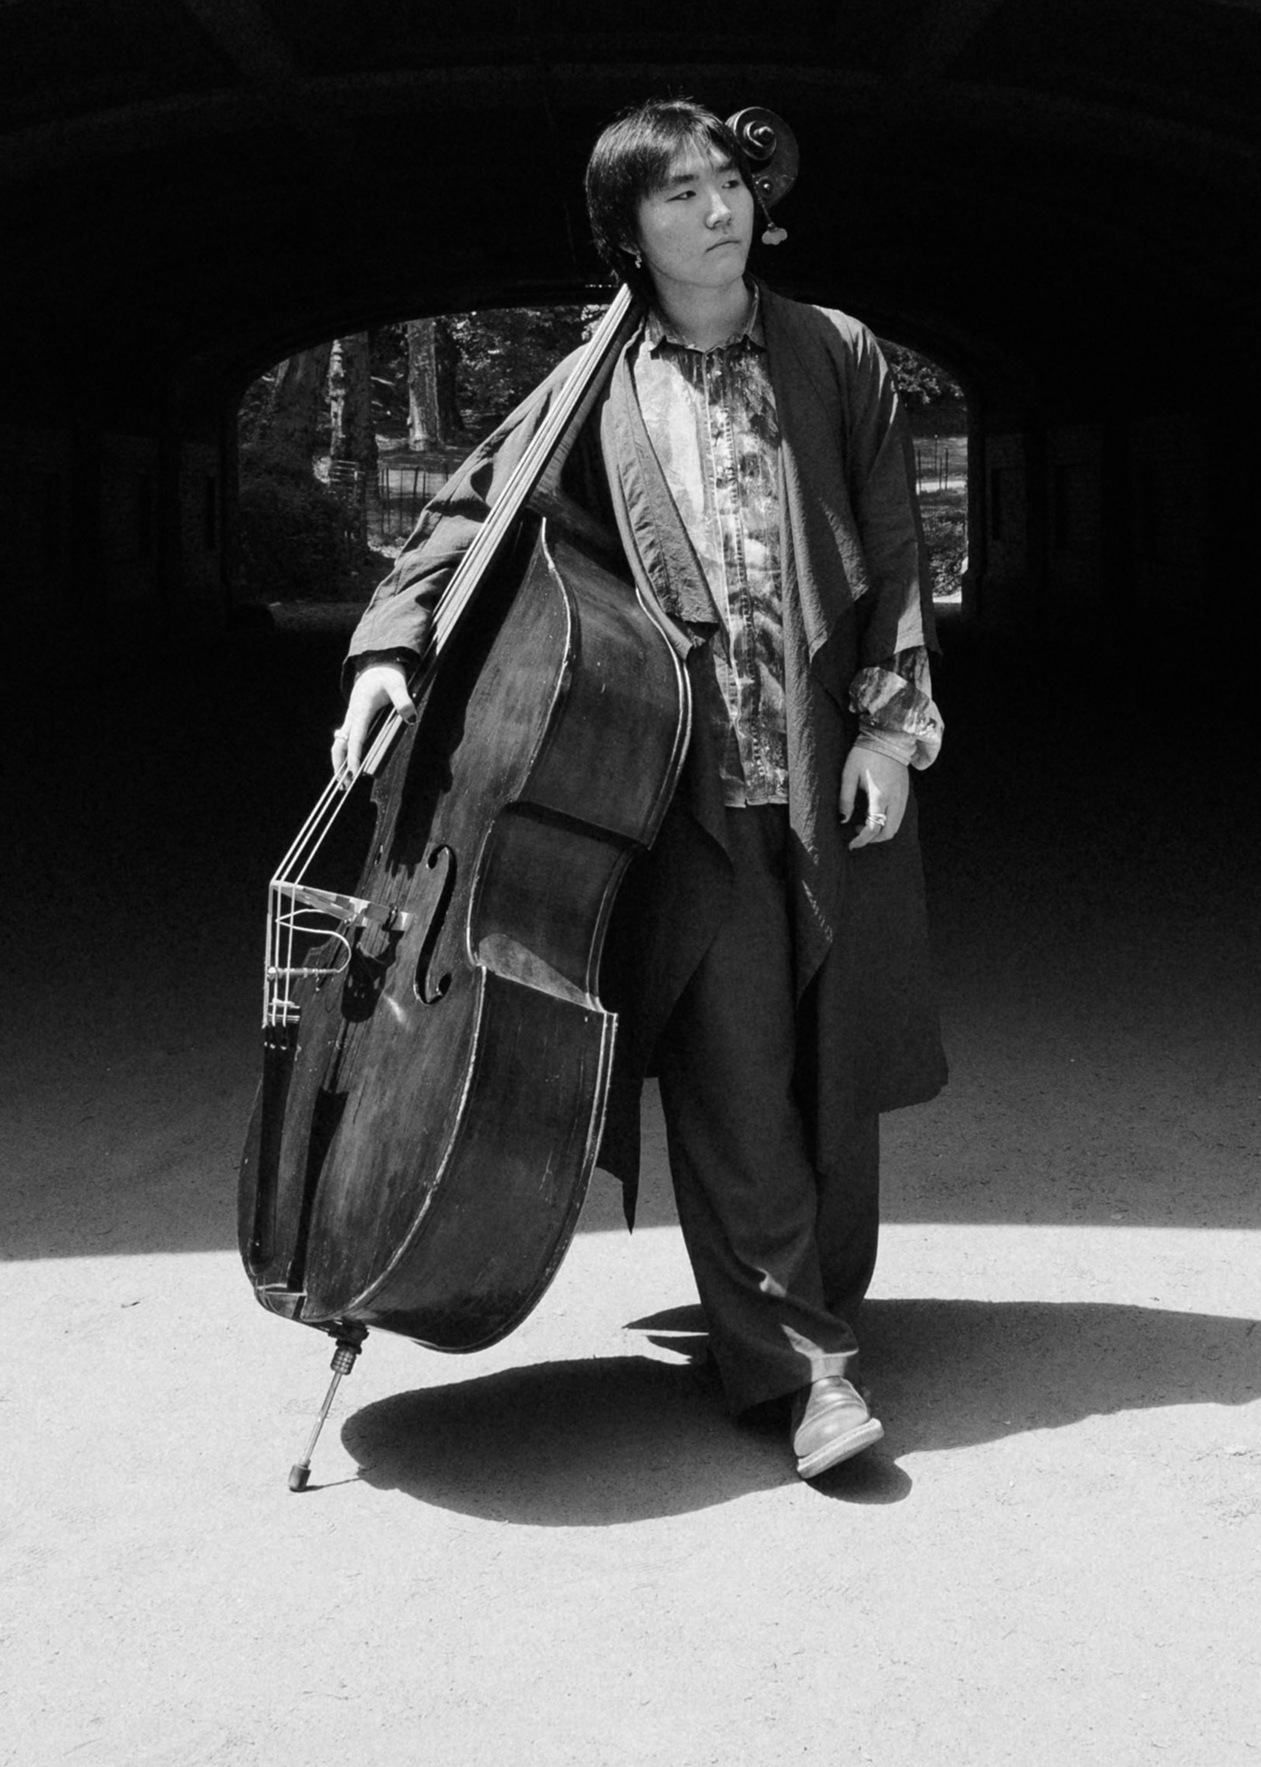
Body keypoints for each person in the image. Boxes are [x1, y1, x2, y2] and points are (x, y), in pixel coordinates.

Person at [330, 99, 945, 1482]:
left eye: (728, 179)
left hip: (825, 772)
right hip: (681, 791)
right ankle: (804, 1369)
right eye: (678, 193)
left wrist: (888, 728)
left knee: (833, 1072)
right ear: (628, 230)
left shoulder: (836, 352)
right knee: (733, 1074)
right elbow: (469, 512)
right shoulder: (592, 380)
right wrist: (386, 651)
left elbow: (896, 548)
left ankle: (805, 1306)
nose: (718, 209)